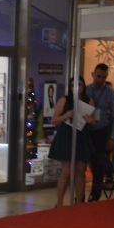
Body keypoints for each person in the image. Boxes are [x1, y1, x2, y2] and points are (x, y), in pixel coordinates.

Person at [47, 77, 95, 206]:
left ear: (84, 86)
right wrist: (66, 115)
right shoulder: (64, 100)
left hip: (82, 136)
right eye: (73, 85)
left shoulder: (89, 100)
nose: (77, 88)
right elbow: (54, 120)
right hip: (67, 136)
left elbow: (94, 120)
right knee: (66, 171)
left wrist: (91, 120)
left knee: (81, 170)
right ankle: (59, 202)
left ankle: (79, 201)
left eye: (79, 85)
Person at [84, 63, 114, 201]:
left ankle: (95, 196)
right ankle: (80, 196)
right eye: (98, 76)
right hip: (86, 131)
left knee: (98, 166)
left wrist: (112, 137)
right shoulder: (86, 91)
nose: (100, 80)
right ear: (93, 74)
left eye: (103, 77)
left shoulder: (111, 94)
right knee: (83, 164)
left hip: (101, 132)